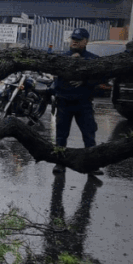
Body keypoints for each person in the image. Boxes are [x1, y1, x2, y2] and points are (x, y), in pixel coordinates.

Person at [52, 28, 103, 175]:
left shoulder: (93, 59)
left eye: (78, 39)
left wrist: (84, 80)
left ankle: (91, 166)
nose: (74, 41)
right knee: (61, 136)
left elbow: (101, 79)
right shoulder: (62, 57)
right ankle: (60, 164)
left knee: (89, 136)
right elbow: (55, 75)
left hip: (83, 104)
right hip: (64, 103)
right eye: (73, 38)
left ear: (85, 41)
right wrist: (69, 62)